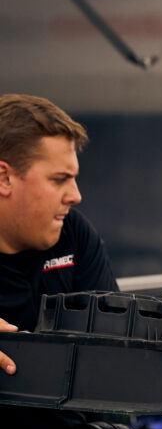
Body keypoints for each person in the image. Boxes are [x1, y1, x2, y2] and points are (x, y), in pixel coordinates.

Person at [0, 93, 116, 376]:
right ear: (4, 178)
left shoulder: (73, 232)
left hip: (72, 420)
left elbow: (112, 350)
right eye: (60, 179)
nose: (76, 196)